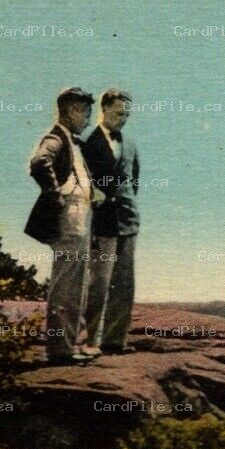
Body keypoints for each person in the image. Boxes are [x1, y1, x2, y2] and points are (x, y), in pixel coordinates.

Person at [26, 87, 99, 363]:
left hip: (80, 217)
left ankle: (67, 346)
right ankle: (60, 350)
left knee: (75, 283)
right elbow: (39, 162)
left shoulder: (71, 141)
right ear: (73, 111)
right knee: (67, 284)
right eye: (86, 114)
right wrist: (55, 195)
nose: (89, 120)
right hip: (69, 217)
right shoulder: (55, 137)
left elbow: (77, 178)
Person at [81, 88, 140, 355]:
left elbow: (133, 180)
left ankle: (116, 341)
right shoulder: (85, 141)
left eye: (127, 114)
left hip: (127, 221)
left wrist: (127, 205)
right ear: (104, 109)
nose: (123, 118)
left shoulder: (129, 144)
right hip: (100, 221)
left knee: (124, 283)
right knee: (99, 282)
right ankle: (89, 341)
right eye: (118, 113)